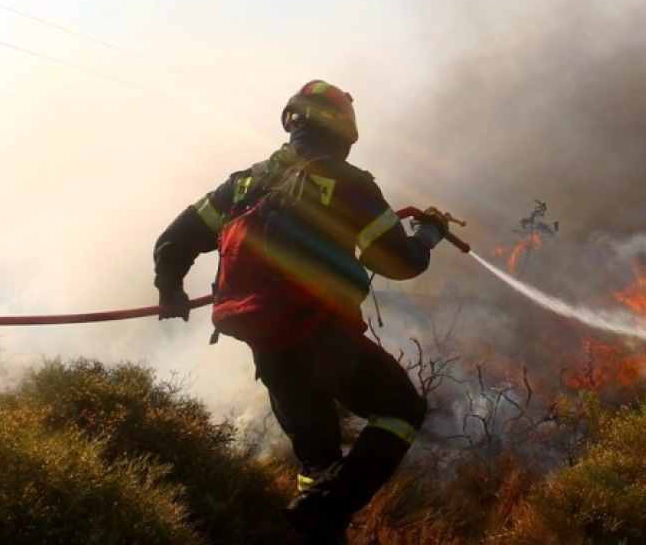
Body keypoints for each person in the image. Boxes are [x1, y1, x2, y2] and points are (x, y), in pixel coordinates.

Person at [153, 80, 448, 544]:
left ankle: (316, 519)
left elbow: (173, 241)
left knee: (318, 462)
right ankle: (326, 513)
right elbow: (398, 263)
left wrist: (170, 290)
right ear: (345, 132)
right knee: (401, 410)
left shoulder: (245, 182)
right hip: (322, 332)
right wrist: (428, 235)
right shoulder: (349, 183)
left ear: (293, 121)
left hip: (267, 341)